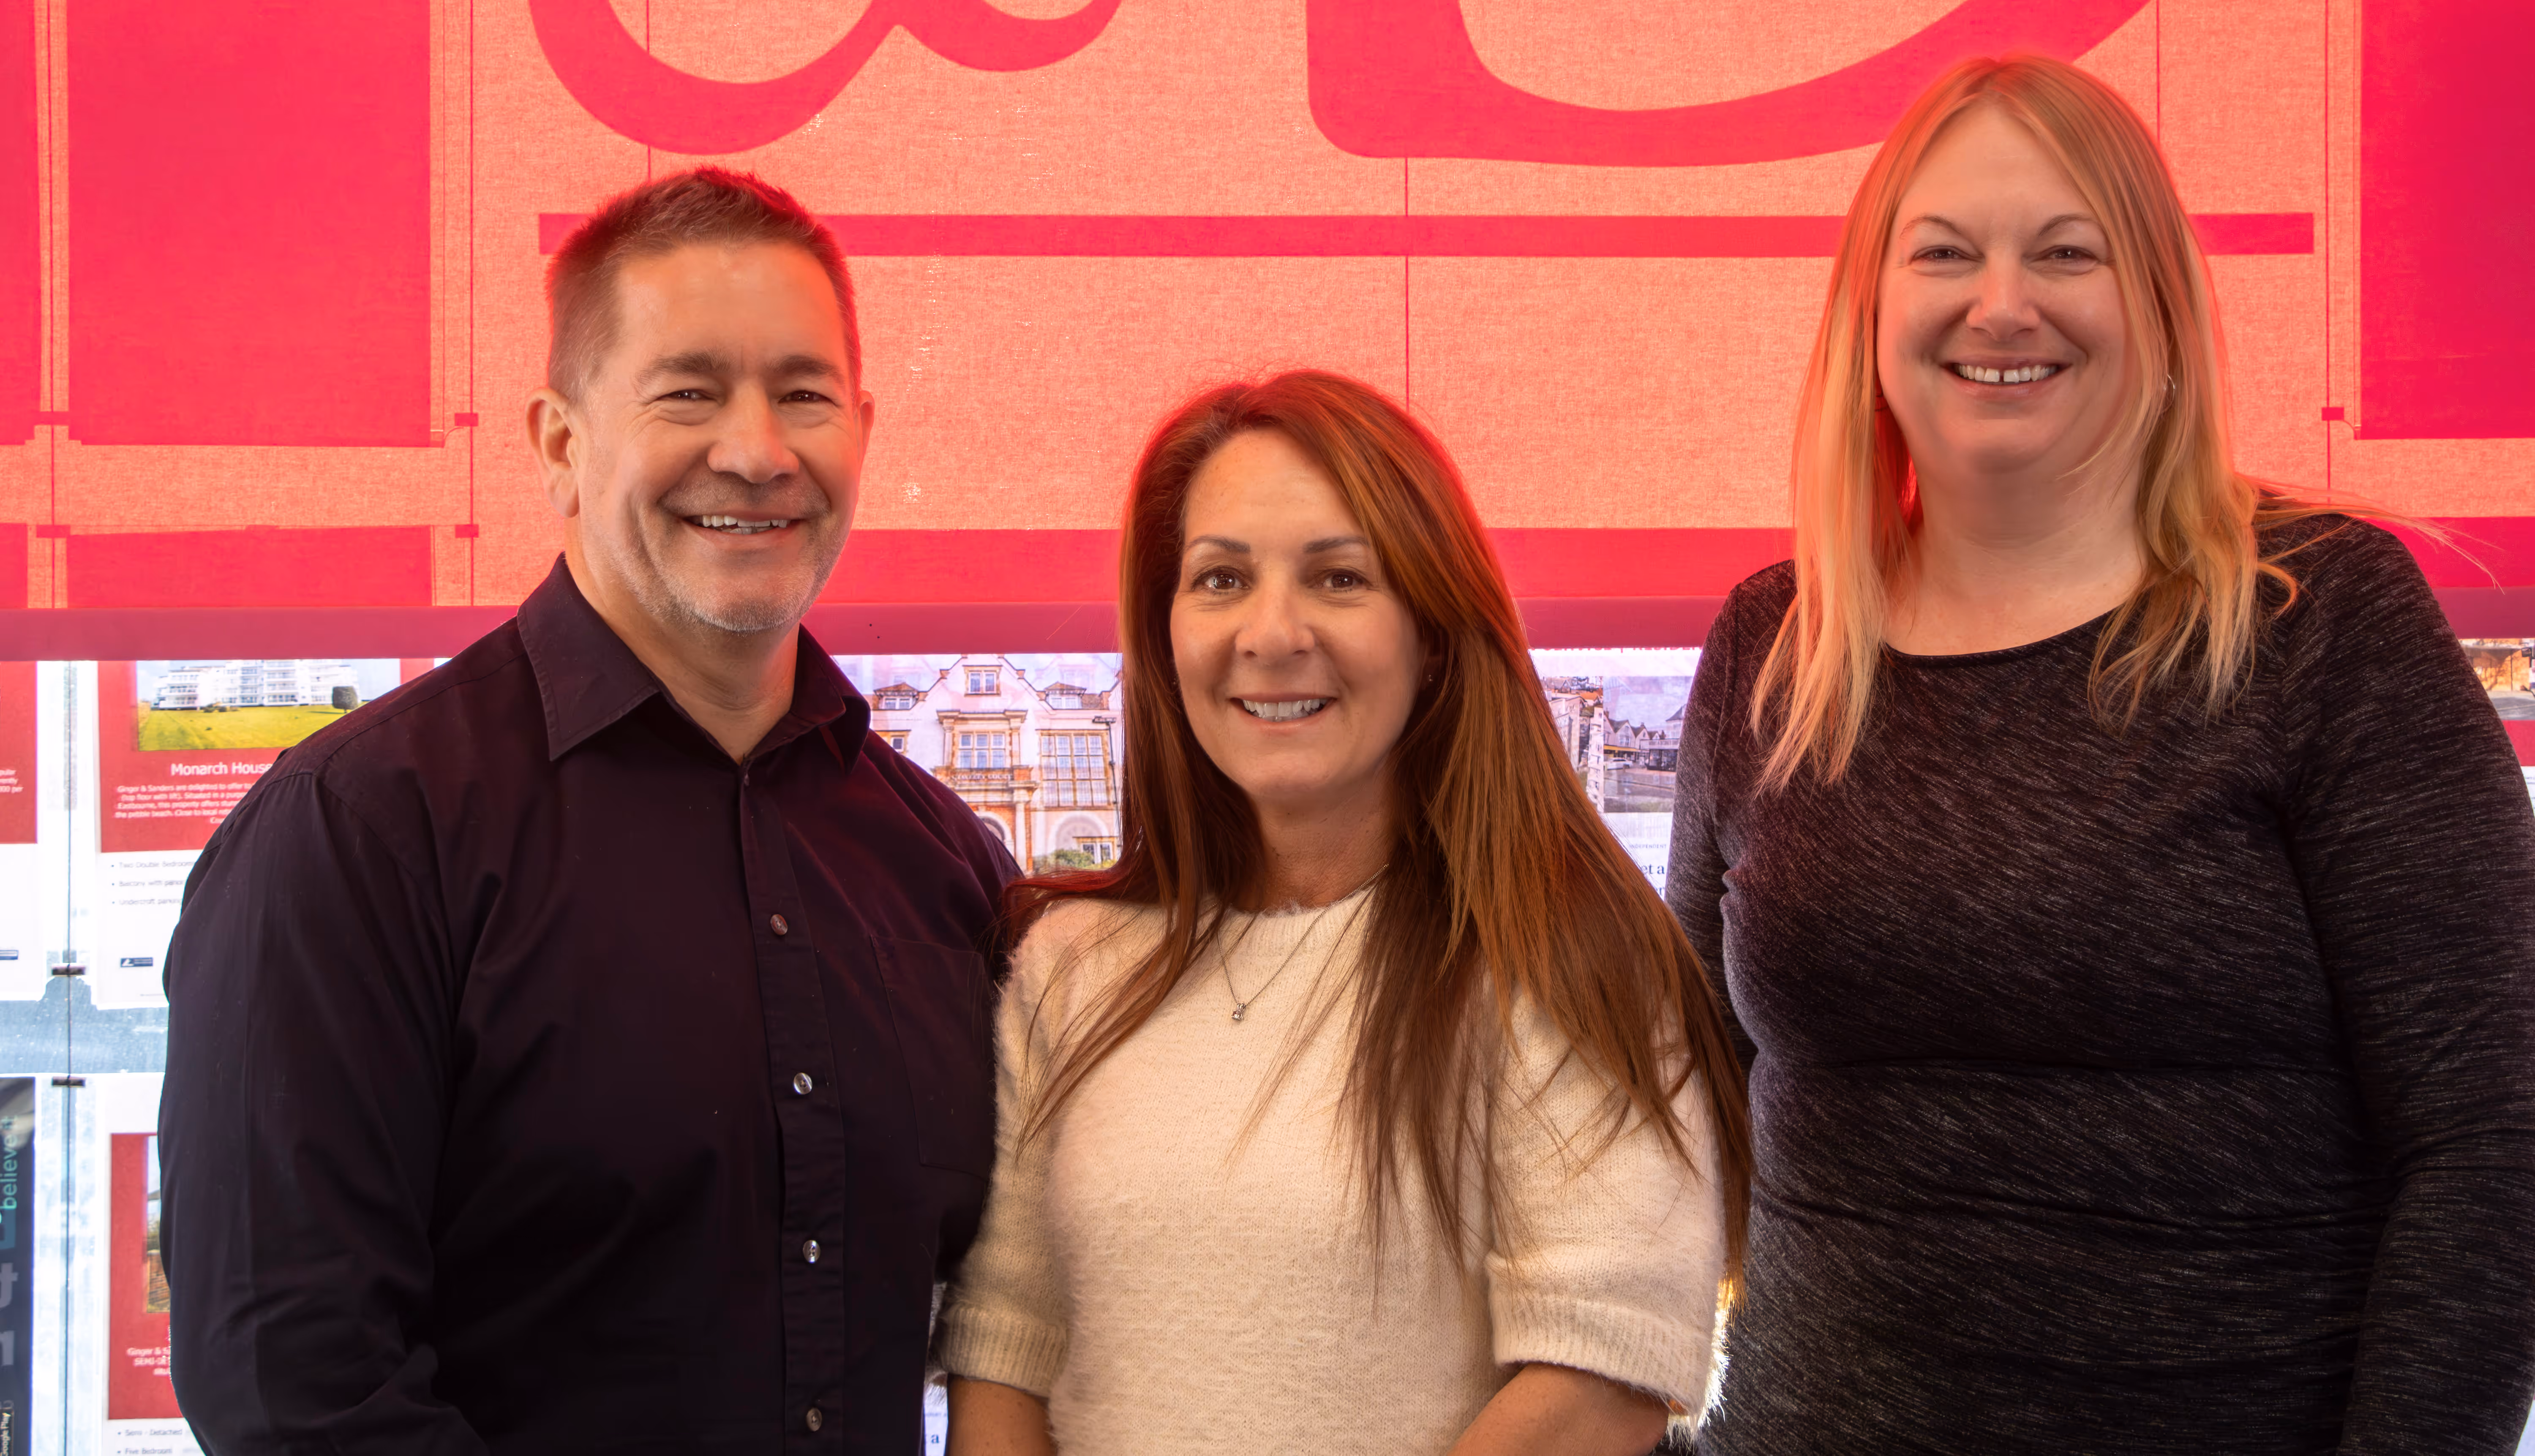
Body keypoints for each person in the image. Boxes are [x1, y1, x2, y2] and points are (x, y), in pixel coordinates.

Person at [1669, 55, 2535, 1455]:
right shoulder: (1775, 642)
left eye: (2065, 253)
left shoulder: (2324, 620)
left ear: (2156, 301)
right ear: (1869, 309)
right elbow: (1680, 1108)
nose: (2000, 303)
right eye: (1945, 252)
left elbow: (2492, 1147)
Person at [158, 168, 1017, 1453]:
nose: (757, 449)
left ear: (862, 429)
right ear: (560, 443)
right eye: (688, 391)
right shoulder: (357, 833)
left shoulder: (945, 867)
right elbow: (297, 1388)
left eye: (803, 393)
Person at [934, 370, 1753, 1456]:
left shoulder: (1561, 952)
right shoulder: (1067, 963)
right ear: (1162, 631)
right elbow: (1006, 1353)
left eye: (1340, 578)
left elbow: (1598, 1380)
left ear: (1433, 629)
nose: (1272, 633)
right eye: (1220, 579)